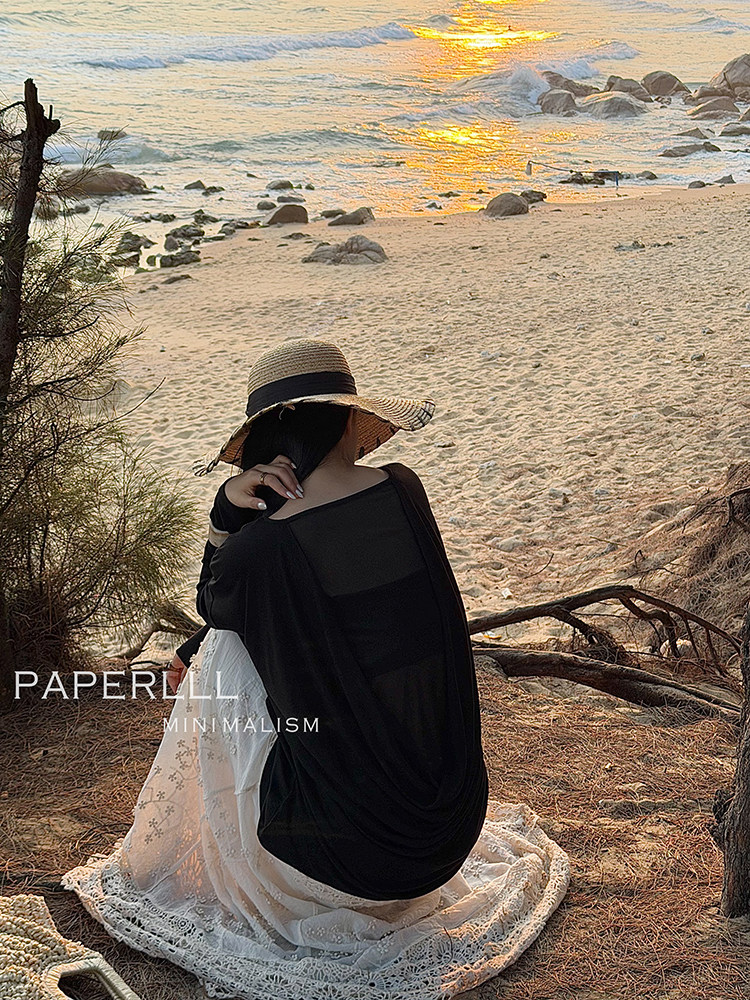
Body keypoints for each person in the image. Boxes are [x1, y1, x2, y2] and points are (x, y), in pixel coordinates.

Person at [64, 339, 570, 999]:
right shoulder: (403, 490)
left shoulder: (261, 549)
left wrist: (226, 510)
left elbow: (214, 602)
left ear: (265, 443)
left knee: (222, 646)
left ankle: (202, 843)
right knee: (225, 635)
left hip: (343, 861)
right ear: (346, 419)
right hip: (446, 830)